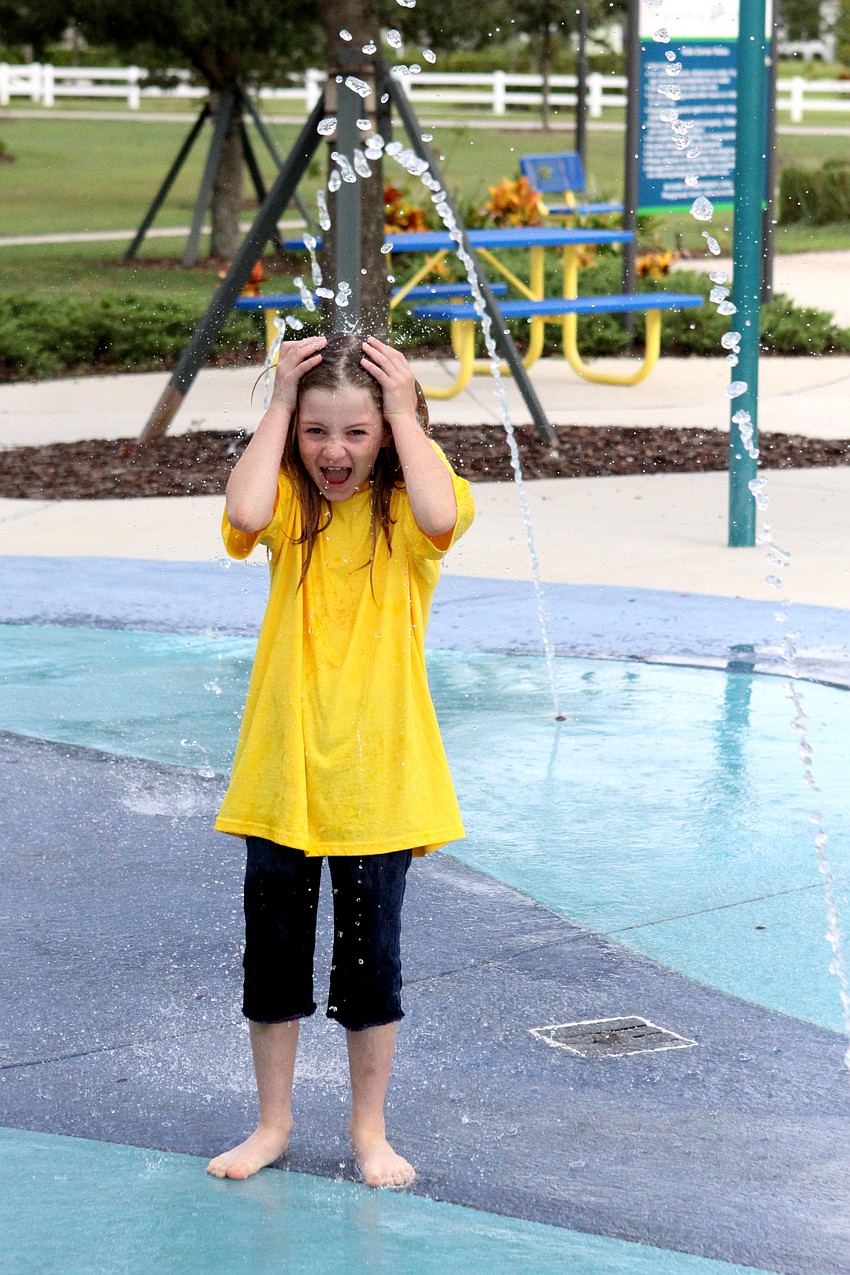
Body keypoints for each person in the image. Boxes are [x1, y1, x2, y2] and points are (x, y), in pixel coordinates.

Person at [206, 331, 474, 1189]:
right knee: (273, 960)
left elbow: (442, 513)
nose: (334, 451)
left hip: (378, 782)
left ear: (389, 435)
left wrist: (403, 411)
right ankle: (273, 1122)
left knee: (370, 968)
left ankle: (369, 1129)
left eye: (357, 433)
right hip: (285, 776)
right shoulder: (288, 504)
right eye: (317, 431)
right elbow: (243, 513)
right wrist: (278, 402)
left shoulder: (412, 515)